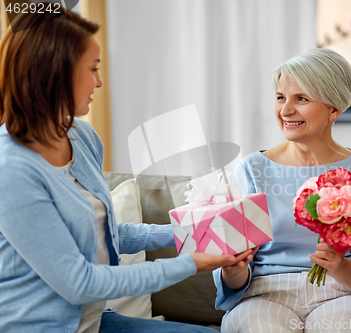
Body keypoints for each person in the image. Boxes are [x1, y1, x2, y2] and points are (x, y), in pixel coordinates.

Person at [0, 7, 252, 333]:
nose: (99, 81)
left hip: (94, 321)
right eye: (92, 69)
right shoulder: (12, 170)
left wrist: (202, 230)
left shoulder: (81, 136)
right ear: (56, 74)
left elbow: (111, 235)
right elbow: (79, 283)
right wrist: (191, 262)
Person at [213, 48, 351, 333]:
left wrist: (339, 266)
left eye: (301, 99)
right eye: (281, 97)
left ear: (335, 109)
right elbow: (232, 279)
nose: (285, 111)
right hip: (264, 294)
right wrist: (233, 269)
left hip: (341, 293)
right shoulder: (253, 169)